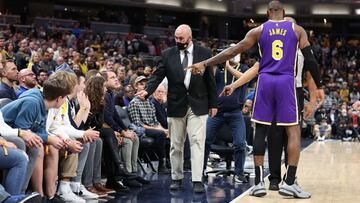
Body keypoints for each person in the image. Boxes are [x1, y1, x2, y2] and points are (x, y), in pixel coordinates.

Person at [188, 1, 323, 198]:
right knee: (293, 131)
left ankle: (259, 183)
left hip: (265, 80)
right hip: (286, 81)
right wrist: (318, 86)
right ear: (284, 13)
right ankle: (290, 182)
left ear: (268, 13)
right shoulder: (297, 29)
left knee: (260, 129)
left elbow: (232, 52)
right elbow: (310, 60)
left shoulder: (258, 30)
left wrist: (205, 63)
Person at [136, 24, 217, 193]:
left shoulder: (204, 53)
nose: (178, 41)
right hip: (175, 103)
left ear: (189, 37)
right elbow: (157, 75)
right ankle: (176, 177)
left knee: (197, 142)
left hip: (199, 104)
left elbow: (210, 80)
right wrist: (148, 90)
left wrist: (213, 104)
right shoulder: (167, 54)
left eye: (181, 38)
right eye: (176, 38)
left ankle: (197, 179)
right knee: (176, 144)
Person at [204, 54, 251, 184]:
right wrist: (217, 61)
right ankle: (200, 170)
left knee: (240, 143)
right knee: (205, 140)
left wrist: (228, 66)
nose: (233, 56)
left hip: (235, 113)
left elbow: (243, 79)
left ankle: (239, 173)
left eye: (235, 53)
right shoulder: (219, 69)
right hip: (216, 112)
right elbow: (209, 77)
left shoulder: (244, 68)